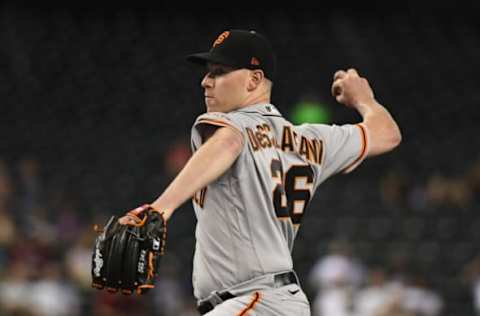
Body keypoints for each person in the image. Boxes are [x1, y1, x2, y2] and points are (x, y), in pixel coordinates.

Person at [119, 29, 401, 315]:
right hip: (271, 302)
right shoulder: (313, 139)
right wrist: (364, 100)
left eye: (219, 72)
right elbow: (387, 134)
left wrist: (160, 208)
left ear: (254, 79)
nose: (205, 81)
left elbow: (228, 142)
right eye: (207, 73)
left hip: (254, 300)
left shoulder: (231, 124)